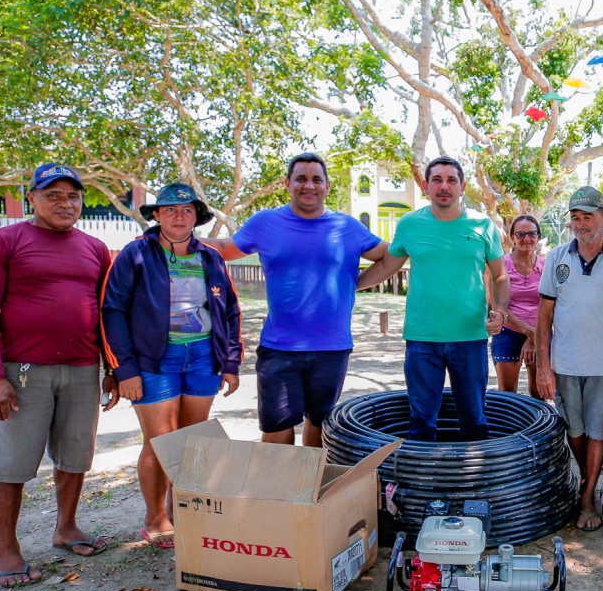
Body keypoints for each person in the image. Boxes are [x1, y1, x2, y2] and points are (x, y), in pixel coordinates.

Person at [0, 163, 119, 587]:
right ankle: (7, 548)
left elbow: (105, 315)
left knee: (75, 457)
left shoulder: (94, 248)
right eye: (53, 194)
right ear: (31, 197)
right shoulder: (4, 242)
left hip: (81, 369)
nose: (65, 203)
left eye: (73, 196)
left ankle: (66, 527)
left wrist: (111, 369)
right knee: (10, 464)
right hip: (22, 373)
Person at [203, 152, 386, 447]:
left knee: (319, 426)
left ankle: (310, 492)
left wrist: (354, 284)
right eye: (301, 179)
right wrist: (173, 239)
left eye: (316, 179)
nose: (309, 185)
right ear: (288, 184)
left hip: (332, 347)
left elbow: (389, 256)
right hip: (279, 348)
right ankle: (279, 492)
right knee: (276, 430)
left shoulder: (347, 227)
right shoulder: (266, 222)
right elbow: (224, 248)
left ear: (327, 186)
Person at [102, 183, 243, 549]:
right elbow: (112, 311)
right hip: (153, 360)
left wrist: (230, 361)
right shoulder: (135, 254)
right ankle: (155, 518)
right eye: (169, 210)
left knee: (193, 444)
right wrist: (125, 370)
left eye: (186, 210)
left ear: (196, 217)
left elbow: (229, 310)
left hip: (201, 358)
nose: (178, 216)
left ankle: (182, 511)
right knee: (161, 441)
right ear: (156, 215)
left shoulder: (211, 258)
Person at [357, 156, 509, 441]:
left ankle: (476, 482)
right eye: (437, 180)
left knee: (474, 418)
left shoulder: (483, 225)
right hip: (422, 338)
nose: (444, 186)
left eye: (451, 180)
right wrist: (350, 287)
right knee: (422, 420)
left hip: (470, 338)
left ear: (462, 187)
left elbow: (500, 276)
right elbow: (388, 266)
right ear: (426, 186)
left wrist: (500, 311)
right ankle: (421, 483)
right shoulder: (409, 224)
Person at [534, 187, 603, 531]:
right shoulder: (556, 257)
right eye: (576, 218)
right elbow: (544, 317)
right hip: (566, 363)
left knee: (599, 431)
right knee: (576, 430)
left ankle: (586, 497)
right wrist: (543, 366)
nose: (581, 224)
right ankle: (587, 483)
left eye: (588, 217)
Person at [492, 214, 543, 396]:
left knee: (539, 392)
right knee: (507, 393)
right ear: (512, 237)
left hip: (541, 333)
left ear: (538, 236)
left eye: (531, 234)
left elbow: (550, 305)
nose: (526, 239)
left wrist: (534, 337)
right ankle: (508, 425)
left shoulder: (546, 267)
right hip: (508, 331)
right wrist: (528, 332)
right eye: (520, 234)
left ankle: (539, 426)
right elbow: (497, 305)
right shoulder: (499, 266)